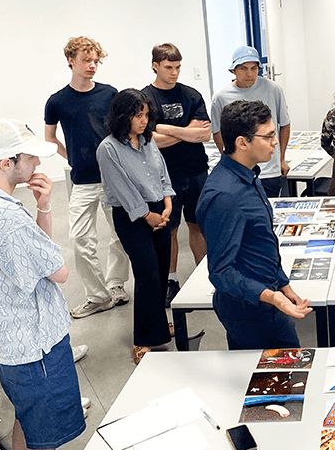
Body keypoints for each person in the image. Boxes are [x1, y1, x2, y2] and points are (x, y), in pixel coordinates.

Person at [0, 118, 84, 450]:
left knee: (28, 421)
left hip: (11, 342)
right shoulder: (6, 217)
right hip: (36, 345)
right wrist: (42, 212)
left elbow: (37, 257)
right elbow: (59, 271)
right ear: (6, 163)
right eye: (30, 158)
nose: (38, 164)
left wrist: (42, 207)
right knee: (44, 443)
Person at [197, 100, 311, 349]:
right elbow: (221, 272)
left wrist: (282, 284)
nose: (275, 142)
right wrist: (273, 298)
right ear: (242, 142)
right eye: (268, 136)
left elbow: (261, 240)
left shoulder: (249, 174)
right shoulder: (225, 196)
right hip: (248, 308)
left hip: (266, 297)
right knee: (278, 374)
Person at [44, 36, 130, 318]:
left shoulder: (109, 94)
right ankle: (98, 295)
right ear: (70, 60)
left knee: (120, 235)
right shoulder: (57, 101)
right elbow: (49, 137)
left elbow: (121, 131)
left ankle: (116, 284)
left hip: (112, 177)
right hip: (82, 180)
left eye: (96, 61)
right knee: (80, 239)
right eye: (86, 60)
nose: (92, 66)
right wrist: (70, 156)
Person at [97, 89, 176, 364]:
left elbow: (162, 173)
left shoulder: (148, 141)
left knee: (162, 271)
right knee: (147, 275)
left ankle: (157, 326)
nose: (143, 121)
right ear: (122, 115)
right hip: (132, 216)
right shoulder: (108, 148)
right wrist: (147, 215)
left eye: (145, 114)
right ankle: (142, 339)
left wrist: (166, 204)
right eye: (137, 115)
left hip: (159, 211)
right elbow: (123, 189)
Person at [141, 43, 211, 307]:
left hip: (196, 171)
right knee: (169, 230)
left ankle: (205, 275)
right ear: (155, 66)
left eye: (178, 67)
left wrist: (164, 128)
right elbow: (151, 141)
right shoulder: (145, 98)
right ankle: (171, 280)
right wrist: (185, 133)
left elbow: (203, 133)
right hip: (162, 177)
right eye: (169, 67)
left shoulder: (191, 95)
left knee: (198, 226)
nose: (174, 72)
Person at [210, 46, 291, 198]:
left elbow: (284, 124)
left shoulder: (273, 89)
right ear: (234, 70)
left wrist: (281, 159)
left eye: (254, 68)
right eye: (243, 69)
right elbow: (217, 132)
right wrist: (229, 160)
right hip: (239, 169)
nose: (249, 74)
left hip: (269, 168)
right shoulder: (221, 97)